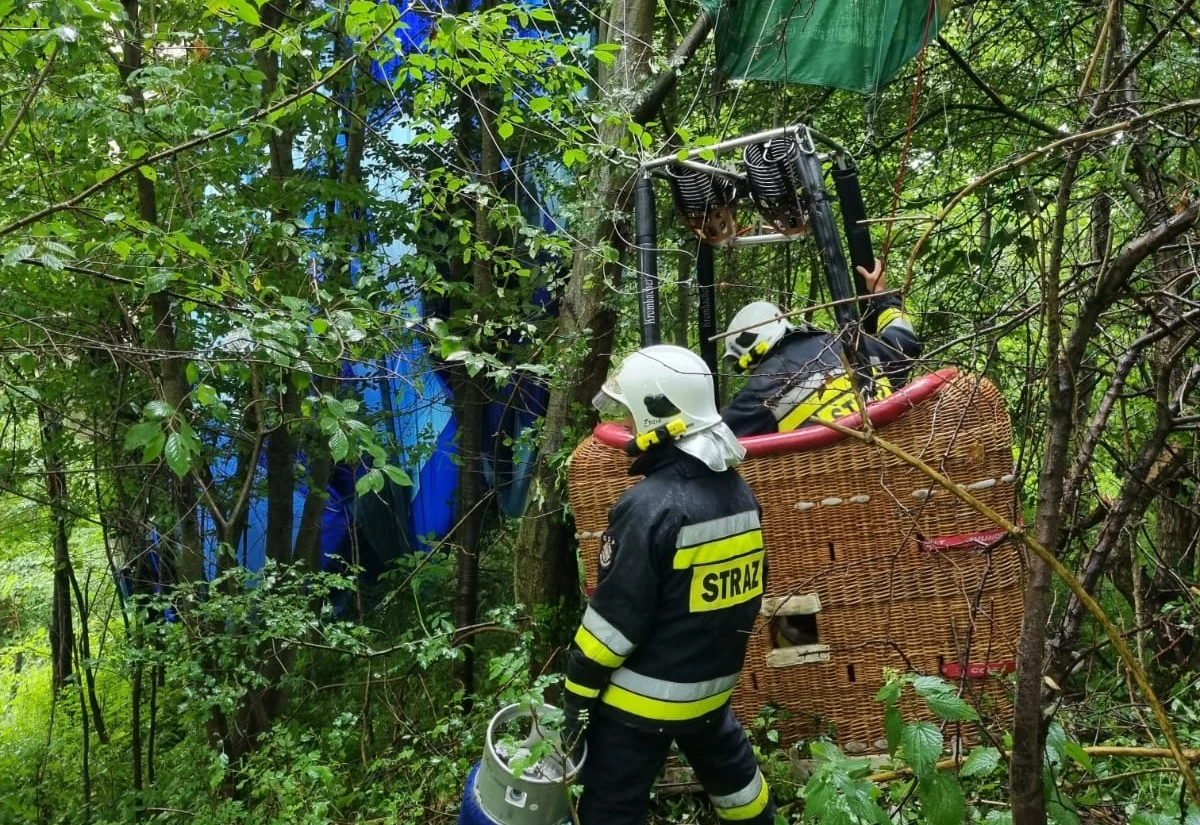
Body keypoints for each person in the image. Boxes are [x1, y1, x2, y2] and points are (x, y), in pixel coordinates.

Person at [563, 344, 775, 825]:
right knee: (739, 785)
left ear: (657, 413)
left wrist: (575, 696)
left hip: (643, 702)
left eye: (633, 415)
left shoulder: (648, 507)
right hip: (712, 690)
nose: (631, 428)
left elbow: (614, 627)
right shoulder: (739, 493)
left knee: (610, 805)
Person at [721, 259, 922, 437]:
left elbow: (716, 443)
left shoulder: (760, 390)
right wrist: (881, 294)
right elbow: (904, 342)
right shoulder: (849, 343)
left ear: (750, 355)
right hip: (901, 456)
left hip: (825, 475)